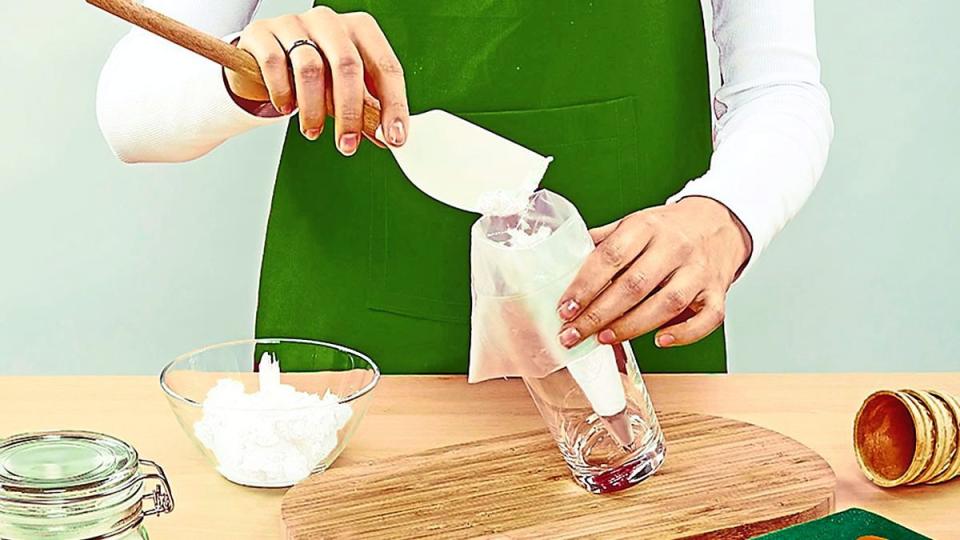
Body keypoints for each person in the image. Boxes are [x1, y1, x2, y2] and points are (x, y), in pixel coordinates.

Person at [97, 1, 832, 374]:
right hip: (359, 365)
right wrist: (244, 75)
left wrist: (723, 217)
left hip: (628, 337)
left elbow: (782, 88)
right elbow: (131, 108)